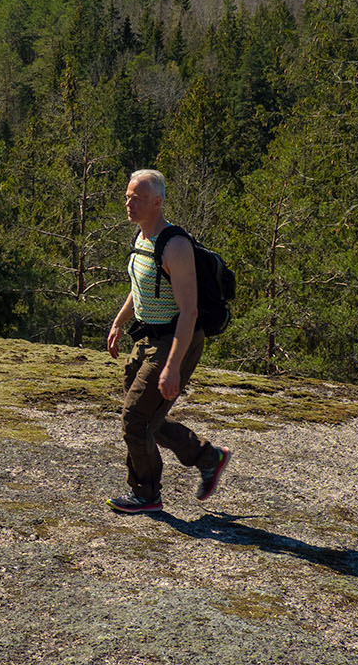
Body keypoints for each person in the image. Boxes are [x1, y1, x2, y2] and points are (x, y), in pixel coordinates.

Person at [105, 169, 230, 514]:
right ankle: (208, 457)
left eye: (138, 198)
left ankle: (146, 494)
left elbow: (189, 312)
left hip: (176, 340)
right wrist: (119, 322)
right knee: (148, 420)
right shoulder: (141, 238)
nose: (129, 203)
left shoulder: (175, 245)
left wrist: (173, 366)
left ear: (157, 202)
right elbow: (140, 287)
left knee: (135, 419)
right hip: (146, 337)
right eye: (128, 196)